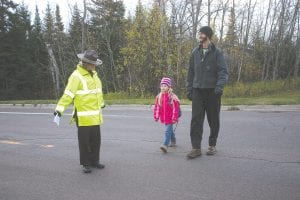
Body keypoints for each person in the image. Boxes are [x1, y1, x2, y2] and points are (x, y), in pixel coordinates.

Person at [54, 50, 106, 173]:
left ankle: (94, 161)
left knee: (96, 140)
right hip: (83, 116)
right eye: (92, 64)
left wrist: (102, 104)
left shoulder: (94, 74)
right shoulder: (76, 76)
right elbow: (68, 94)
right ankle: (86, 163)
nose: (94, 66)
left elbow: (98, 92)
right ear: (85, 63)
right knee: (84, 142)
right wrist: (59, 109)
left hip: (95, 115)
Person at [186, 26, 228, 159]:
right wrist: (189, 88)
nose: (199, 35)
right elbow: (191, 72)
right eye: (199, 32)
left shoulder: (217, 53)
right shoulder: (195, 52)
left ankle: (212, 145)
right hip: (198, 90)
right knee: (196, 120)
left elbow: (223, 72)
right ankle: (196, 148)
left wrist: (219, 87)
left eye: (202, 33)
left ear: (208, 35)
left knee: (213, 120)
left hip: (213, 92)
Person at [154, 77, 180, 153]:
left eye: (165, 86)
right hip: (164, 118)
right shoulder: (159, 97)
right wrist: (156, 116)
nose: (163, 87)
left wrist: (174, 117)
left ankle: (165, 145)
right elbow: (157, 107)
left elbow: (175, 108)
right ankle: (173, 141)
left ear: (169, 87)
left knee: (167, 131)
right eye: (162, 85)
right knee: (170, 130)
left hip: (171, 118)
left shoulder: (172, 96)